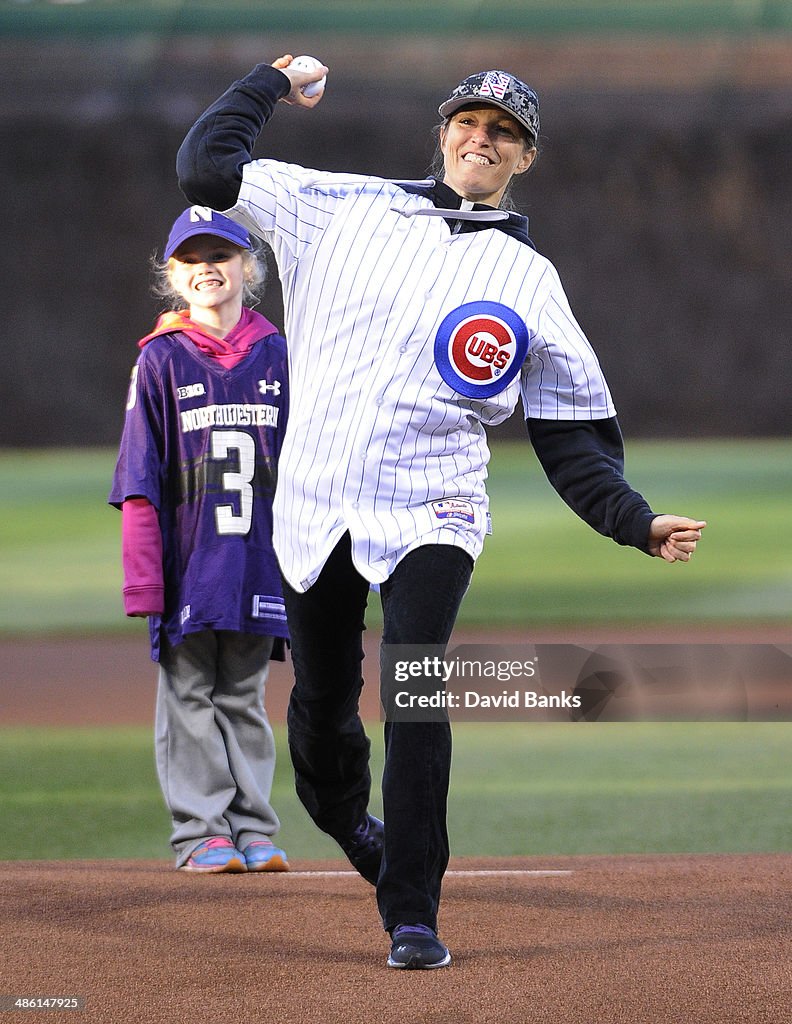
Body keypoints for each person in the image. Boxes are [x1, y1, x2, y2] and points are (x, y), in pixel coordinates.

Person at [175, 57, 706, 965]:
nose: (481, 137)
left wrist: (633, 518)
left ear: (525, 158)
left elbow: (573, 432)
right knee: (323, 710)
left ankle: (413, 912)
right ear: (443, 131)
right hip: (313, 501)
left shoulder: (528, 278)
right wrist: (269, 81)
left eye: (503, 131)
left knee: (417, 689)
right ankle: (353, 826)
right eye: (469, 121)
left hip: (435, 500)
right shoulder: (342, 205)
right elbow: (204, 170)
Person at [109, 207, 291, 875]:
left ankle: (252, 828)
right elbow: (138, 479)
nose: (208, 267)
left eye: (222, 254)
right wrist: (145, 579)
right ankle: (200, 833)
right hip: (192, 567)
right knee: (189, 696)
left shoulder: (279, 353)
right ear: (173, 277)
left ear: (250, 267)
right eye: (191, 258)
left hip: (258, 563)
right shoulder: (158, 360)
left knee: (243, 695)